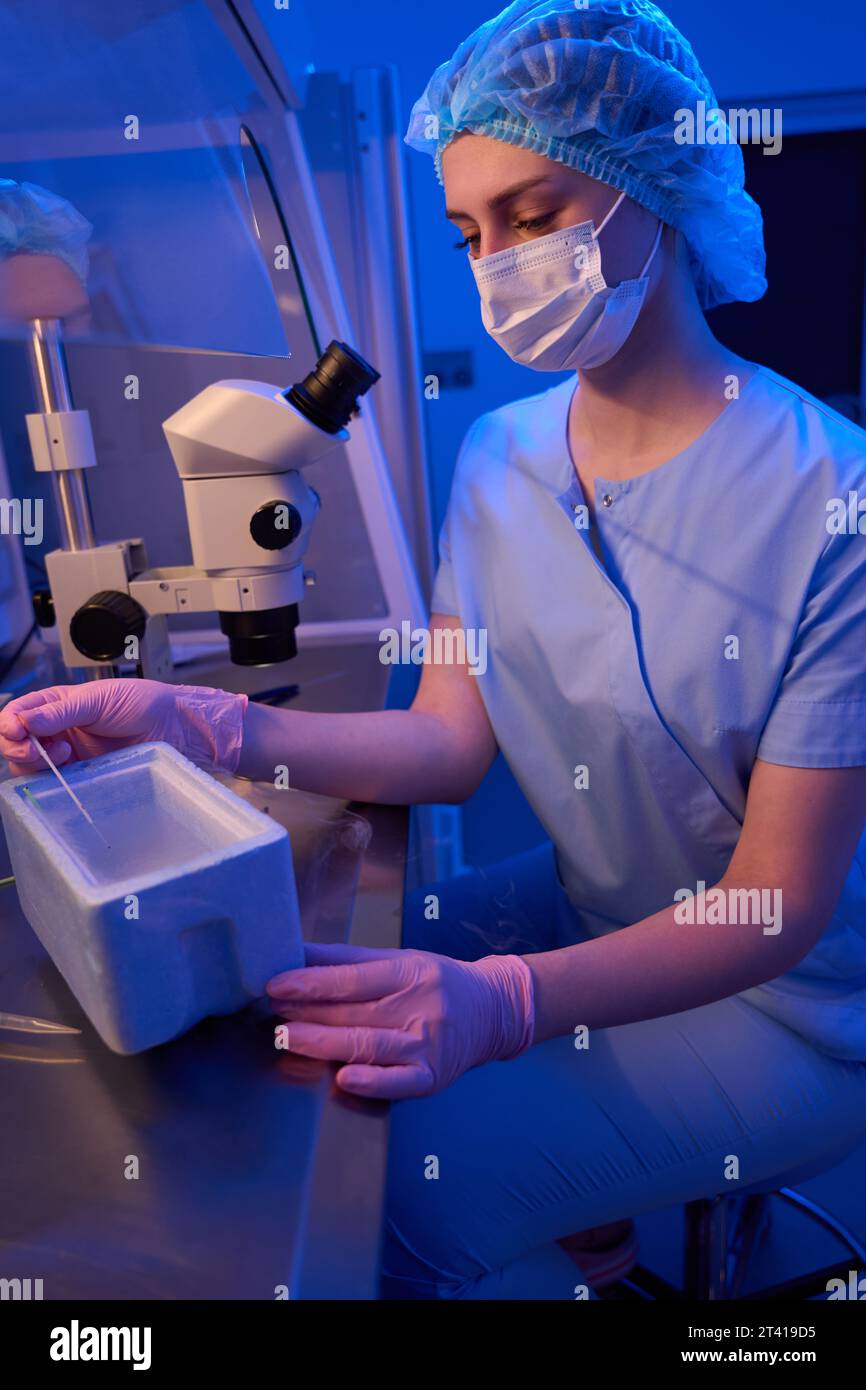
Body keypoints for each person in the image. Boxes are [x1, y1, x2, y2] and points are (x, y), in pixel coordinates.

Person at [3, 0, 866, 1299]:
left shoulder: (830, 500)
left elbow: (777, 903)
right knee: (276, 987)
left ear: (655, 181)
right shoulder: (501, 454)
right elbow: (449, 742)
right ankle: (604, 1212)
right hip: (593, 909)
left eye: (531, 214)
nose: (495, 264)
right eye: (469, 232)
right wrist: (216, 728)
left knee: (401, 1199)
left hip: (782, 1005)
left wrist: (507, 1004)